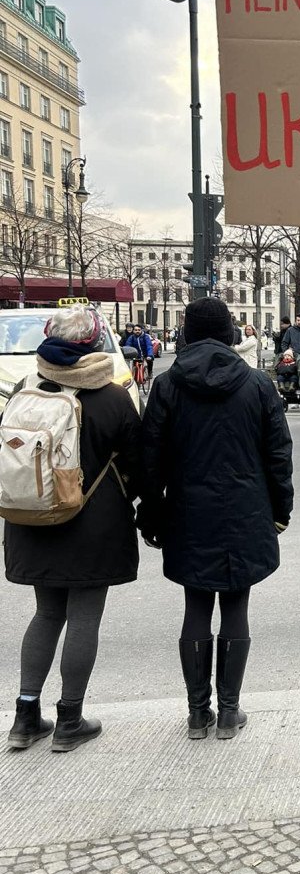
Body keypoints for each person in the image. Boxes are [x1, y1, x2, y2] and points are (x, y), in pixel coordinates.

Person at [138, 298, 294, 741]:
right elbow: (278, 455)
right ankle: (228, 712)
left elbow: (149, 459)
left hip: (188, 511)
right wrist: (280, 510)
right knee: (236, 605)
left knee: (196, 605)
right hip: (246, 510)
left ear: (187, 334)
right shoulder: (257, 384)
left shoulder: (167, 386)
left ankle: (196, 714)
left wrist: (151, 514)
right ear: (230, 334)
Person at [4, 306, 142, 753]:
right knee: (84, 617)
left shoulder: (25, 388)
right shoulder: (112, 397)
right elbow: (139, 464)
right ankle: (69, 719)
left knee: (46, 614)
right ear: (95, 344)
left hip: (32, 517)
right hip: (92, 524)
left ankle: (25, 717)